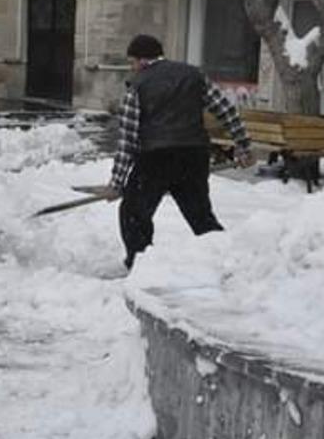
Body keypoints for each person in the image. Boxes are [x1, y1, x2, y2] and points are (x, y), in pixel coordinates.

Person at [108, 34, 254, 270]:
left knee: (134, 213)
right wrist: (243, 144)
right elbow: (226, 109)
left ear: (142, 60)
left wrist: (117, 183)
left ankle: (141, 266)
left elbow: (128, 139)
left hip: (155, 159)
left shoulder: (138, 86)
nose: (132, 68)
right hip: (193, 156)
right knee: (199, 214)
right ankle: (224, 261)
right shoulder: (194, 75)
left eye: (132, 62)